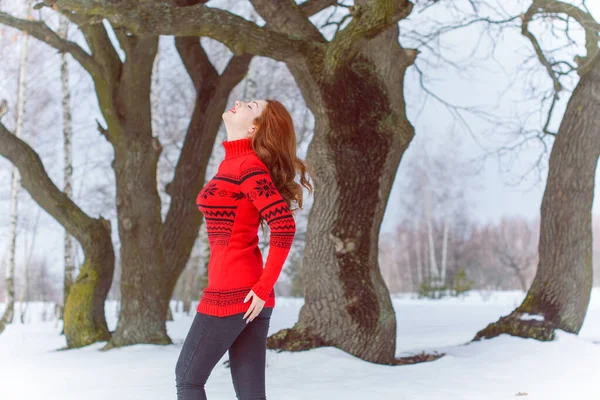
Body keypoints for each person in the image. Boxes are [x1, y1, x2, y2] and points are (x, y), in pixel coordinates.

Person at [175, 99, 313, 400]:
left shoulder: (248, 167)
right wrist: (261, 291)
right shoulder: (233, 164)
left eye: (250, 105)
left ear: (254, 127)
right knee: (251, 395)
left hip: (234, 292)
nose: (238, 102)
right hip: (249, 294)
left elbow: (283, 225)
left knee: (187, 379)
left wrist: (263, 288)